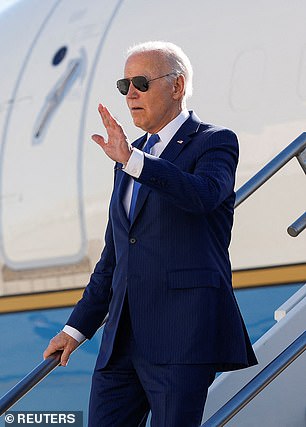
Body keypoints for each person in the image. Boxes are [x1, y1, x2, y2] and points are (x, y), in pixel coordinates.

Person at [43, 41, 257, 427]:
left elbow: (204, 195)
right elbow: (116, 254)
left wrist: (134, 161)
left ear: (177, 87)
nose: (131, 94)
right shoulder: (130, 154)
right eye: (124, 86)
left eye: (140, 82)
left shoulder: (214, 141)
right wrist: (75, 329)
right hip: (122, 340)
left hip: (182, 337)